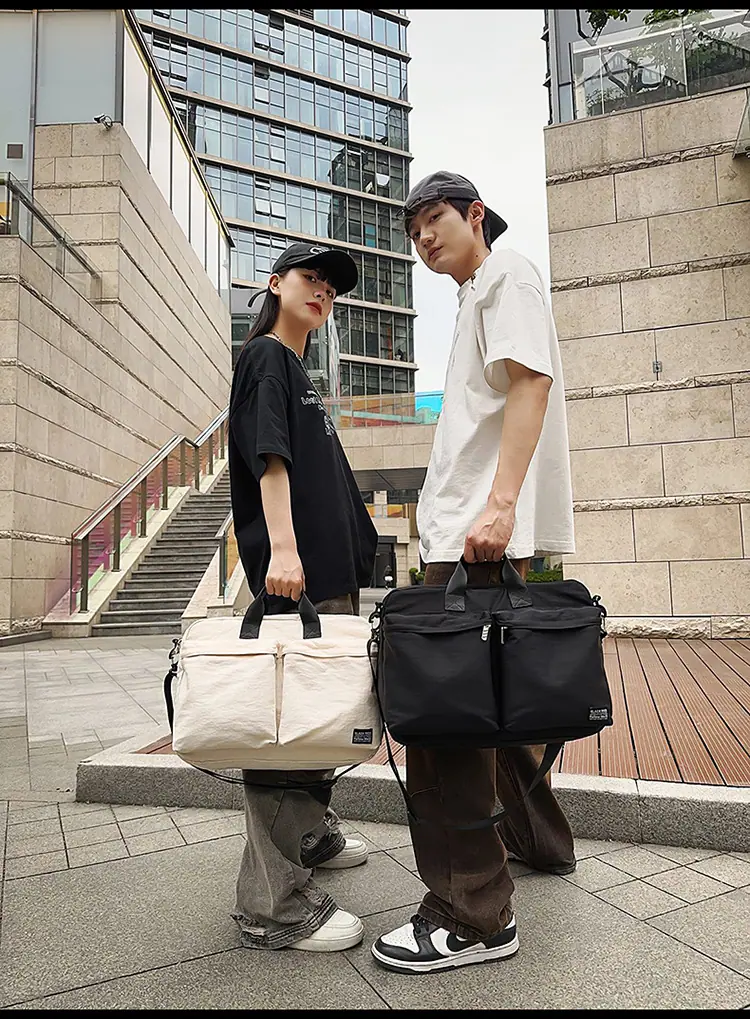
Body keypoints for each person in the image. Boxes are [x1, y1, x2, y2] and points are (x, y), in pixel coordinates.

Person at [371, 172, 577, 974]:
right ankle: (542, 841)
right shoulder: (474, 296)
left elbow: (531, 383)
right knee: (492, 705)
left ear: (475, 215)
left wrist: (498, 507)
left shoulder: (506, 276)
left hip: (476, 539)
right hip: (466, 537)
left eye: (434, 218)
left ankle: (473, 914)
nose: (423, 237)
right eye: (413, 229)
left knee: (444, 724)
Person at [228, 241, 378, 953]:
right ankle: (274, 908)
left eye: (330, 286)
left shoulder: (297, 367)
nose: (322, 290)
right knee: (283, 742)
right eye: (309, 277)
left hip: (326, 579)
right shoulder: (265, 357)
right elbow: (271, 459)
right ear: (274, 283)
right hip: (298, 580)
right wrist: (282, 552)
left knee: (316, 727)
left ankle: (311, 838)